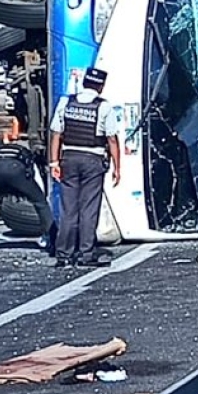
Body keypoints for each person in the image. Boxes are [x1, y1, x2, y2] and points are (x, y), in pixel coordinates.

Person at [49, 67, 121, 269]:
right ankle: (86, 253)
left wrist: (53, 162)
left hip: (69, 158)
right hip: (93, 160)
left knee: (68, 209)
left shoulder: (66, 102)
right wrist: (117, 168)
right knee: (89, 209)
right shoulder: (103, 107)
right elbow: (112, 139)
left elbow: (56, 133)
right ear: (101, 86)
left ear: (83, 83)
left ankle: (63, 254)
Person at [0, 140, 54, 257]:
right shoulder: (29, 154)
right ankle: (54, 242)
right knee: (40, 202)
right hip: (15, 168)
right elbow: (38, 184)